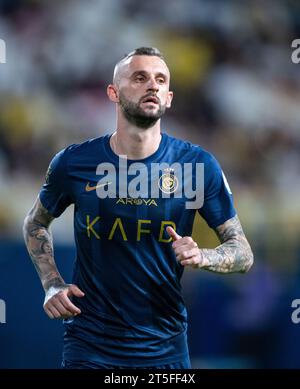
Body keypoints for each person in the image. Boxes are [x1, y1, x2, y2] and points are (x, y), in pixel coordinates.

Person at [23, 47, 254, 369]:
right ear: (113, 92)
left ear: (169, 97)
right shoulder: (74, 162)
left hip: (165, 347)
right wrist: (51, 284)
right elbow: (35, 223)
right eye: (140, 77)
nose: (152, 86)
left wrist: (204, 256)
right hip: (90, 345)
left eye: (160, 80)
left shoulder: (197, 165)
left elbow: (243, 253)